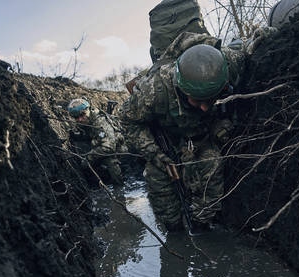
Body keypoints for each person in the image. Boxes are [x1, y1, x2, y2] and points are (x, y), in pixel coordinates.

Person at [120, 32, 247, 235]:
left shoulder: (228, 63)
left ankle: (201, 228)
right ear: (180, 88)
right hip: (166, 144)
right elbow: (128, 121)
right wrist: (156, 154)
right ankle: (175, 234)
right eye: (197, 100)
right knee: (160, 189)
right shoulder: (155, 90)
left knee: (212, 166)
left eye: (210, 99)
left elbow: (251, 46)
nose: (204, 108)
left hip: (203, 139)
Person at [67, 98, 126, 186]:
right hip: (101, 147)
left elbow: (108, 147)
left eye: (82, 114)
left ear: (88, 109)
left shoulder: (100, 122)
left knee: (110, 160)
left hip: (120, 150)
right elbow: (90, 136)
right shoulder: (87, 121)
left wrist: (88, 158)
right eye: (76, 117)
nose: (80, 119)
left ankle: (120, 186)